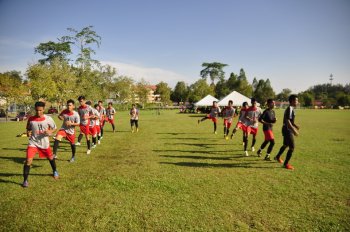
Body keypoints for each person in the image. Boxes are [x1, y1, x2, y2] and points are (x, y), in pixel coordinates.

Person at [22, 101, 58, 187]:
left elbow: (55, 128)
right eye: (37, 110)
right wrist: (28, 133)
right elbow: (28, 128)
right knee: (28, 161)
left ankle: (55, 171)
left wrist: (50, 131)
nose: (38, 112)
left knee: (50, 158)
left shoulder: (48, 119)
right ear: (35, 109)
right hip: (33, 143)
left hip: (44, 143)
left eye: (40, 110)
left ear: (44, 109)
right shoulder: (31, 119)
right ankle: (25, 181)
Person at [274, 95, 300, 170]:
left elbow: (291, 121)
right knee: (292, 147)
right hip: (287, 129)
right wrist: (294, 130)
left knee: (285, 144)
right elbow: (287, 121)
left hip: (286, 128)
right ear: (292, 101)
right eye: (296, 100)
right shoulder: (289, 109)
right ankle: (286, 164)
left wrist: (295, 125)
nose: (297, 102)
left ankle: (277, 156)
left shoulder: (292, 109)